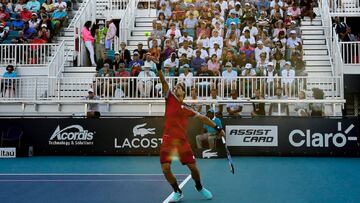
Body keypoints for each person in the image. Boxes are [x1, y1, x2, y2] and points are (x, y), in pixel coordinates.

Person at [157, 63, 225, 202]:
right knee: (165, 168)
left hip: (182, 141)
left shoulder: (188, 108)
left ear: (184, 92)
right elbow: (163, 81)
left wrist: (218, 129)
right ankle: (177, 191)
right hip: (168, 139)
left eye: (179, 87)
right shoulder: (169, 98)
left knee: (193, 168)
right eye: (175, 86)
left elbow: (203, 118)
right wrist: (158, 67)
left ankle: (199, 187)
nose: (176, 87)